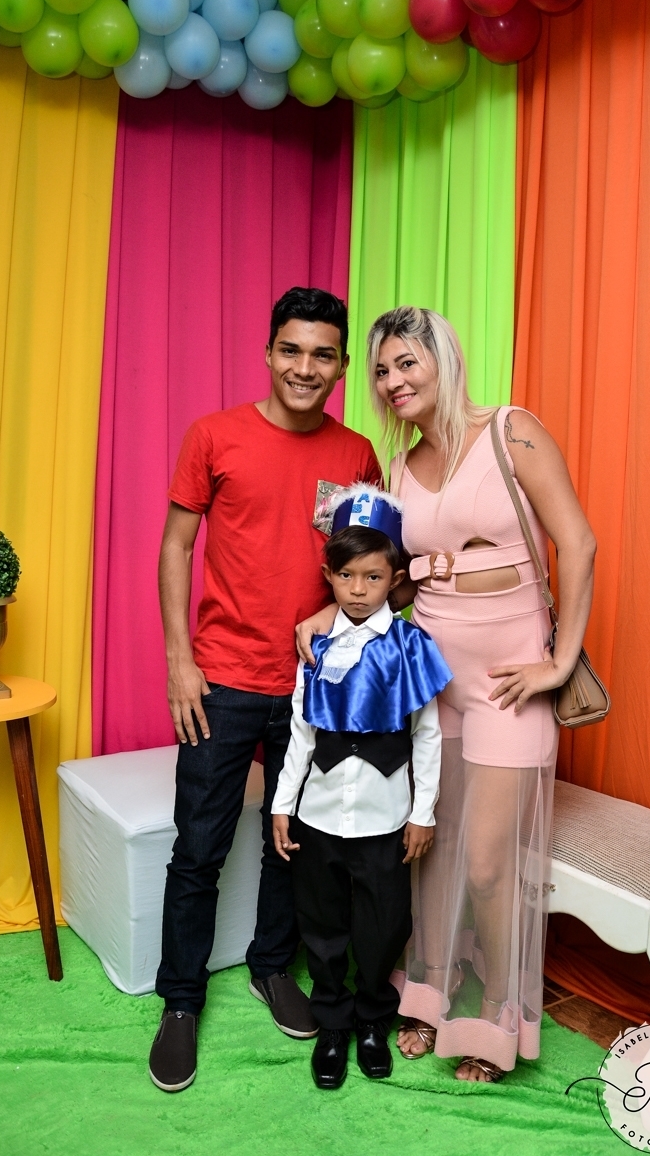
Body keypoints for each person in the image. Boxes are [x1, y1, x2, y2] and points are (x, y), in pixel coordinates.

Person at [297, 307, 596, 1084]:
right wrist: (330, 614)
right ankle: (426, 996)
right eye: (381, 370)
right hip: (430, 681)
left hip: (506, 685)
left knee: (488, 865)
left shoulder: (510, 432)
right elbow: (391, 583)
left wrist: (558, 661)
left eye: (406, 363)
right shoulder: (398, 468)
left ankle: (494, 1019)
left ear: (444, 360)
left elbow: (577, 540)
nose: (392, 381)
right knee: (426, 852)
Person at [148, 287, 382, 1094]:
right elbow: (175, 547)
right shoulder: (213, 435)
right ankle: (180, 1002)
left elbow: (370, 568)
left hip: (314, 686)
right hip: (219, 678)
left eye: (322, 354)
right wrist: (180, 660)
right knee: (198, 848)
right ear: (268, 353)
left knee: (296, 844)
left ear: (341, 367)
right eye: (291, 350)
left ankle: (271, 967)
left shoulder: (356, 455)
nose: (304, 367)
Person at [272, 486, 452, 1090]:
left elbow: (427, 736)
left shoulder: (411, 646)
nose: (357, 589)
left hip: (384, 818)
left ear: (393, 579)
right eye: (345, 575)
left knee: (383, 926)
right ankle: (332, 1024)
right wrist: (282, 805)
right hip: (320, 815)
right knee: (322, 926)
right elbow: (301, 732)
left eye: (372, 577)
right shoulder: (315, 645)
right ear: (329, 575)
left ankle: (373, 1019)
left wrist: (422, 813)